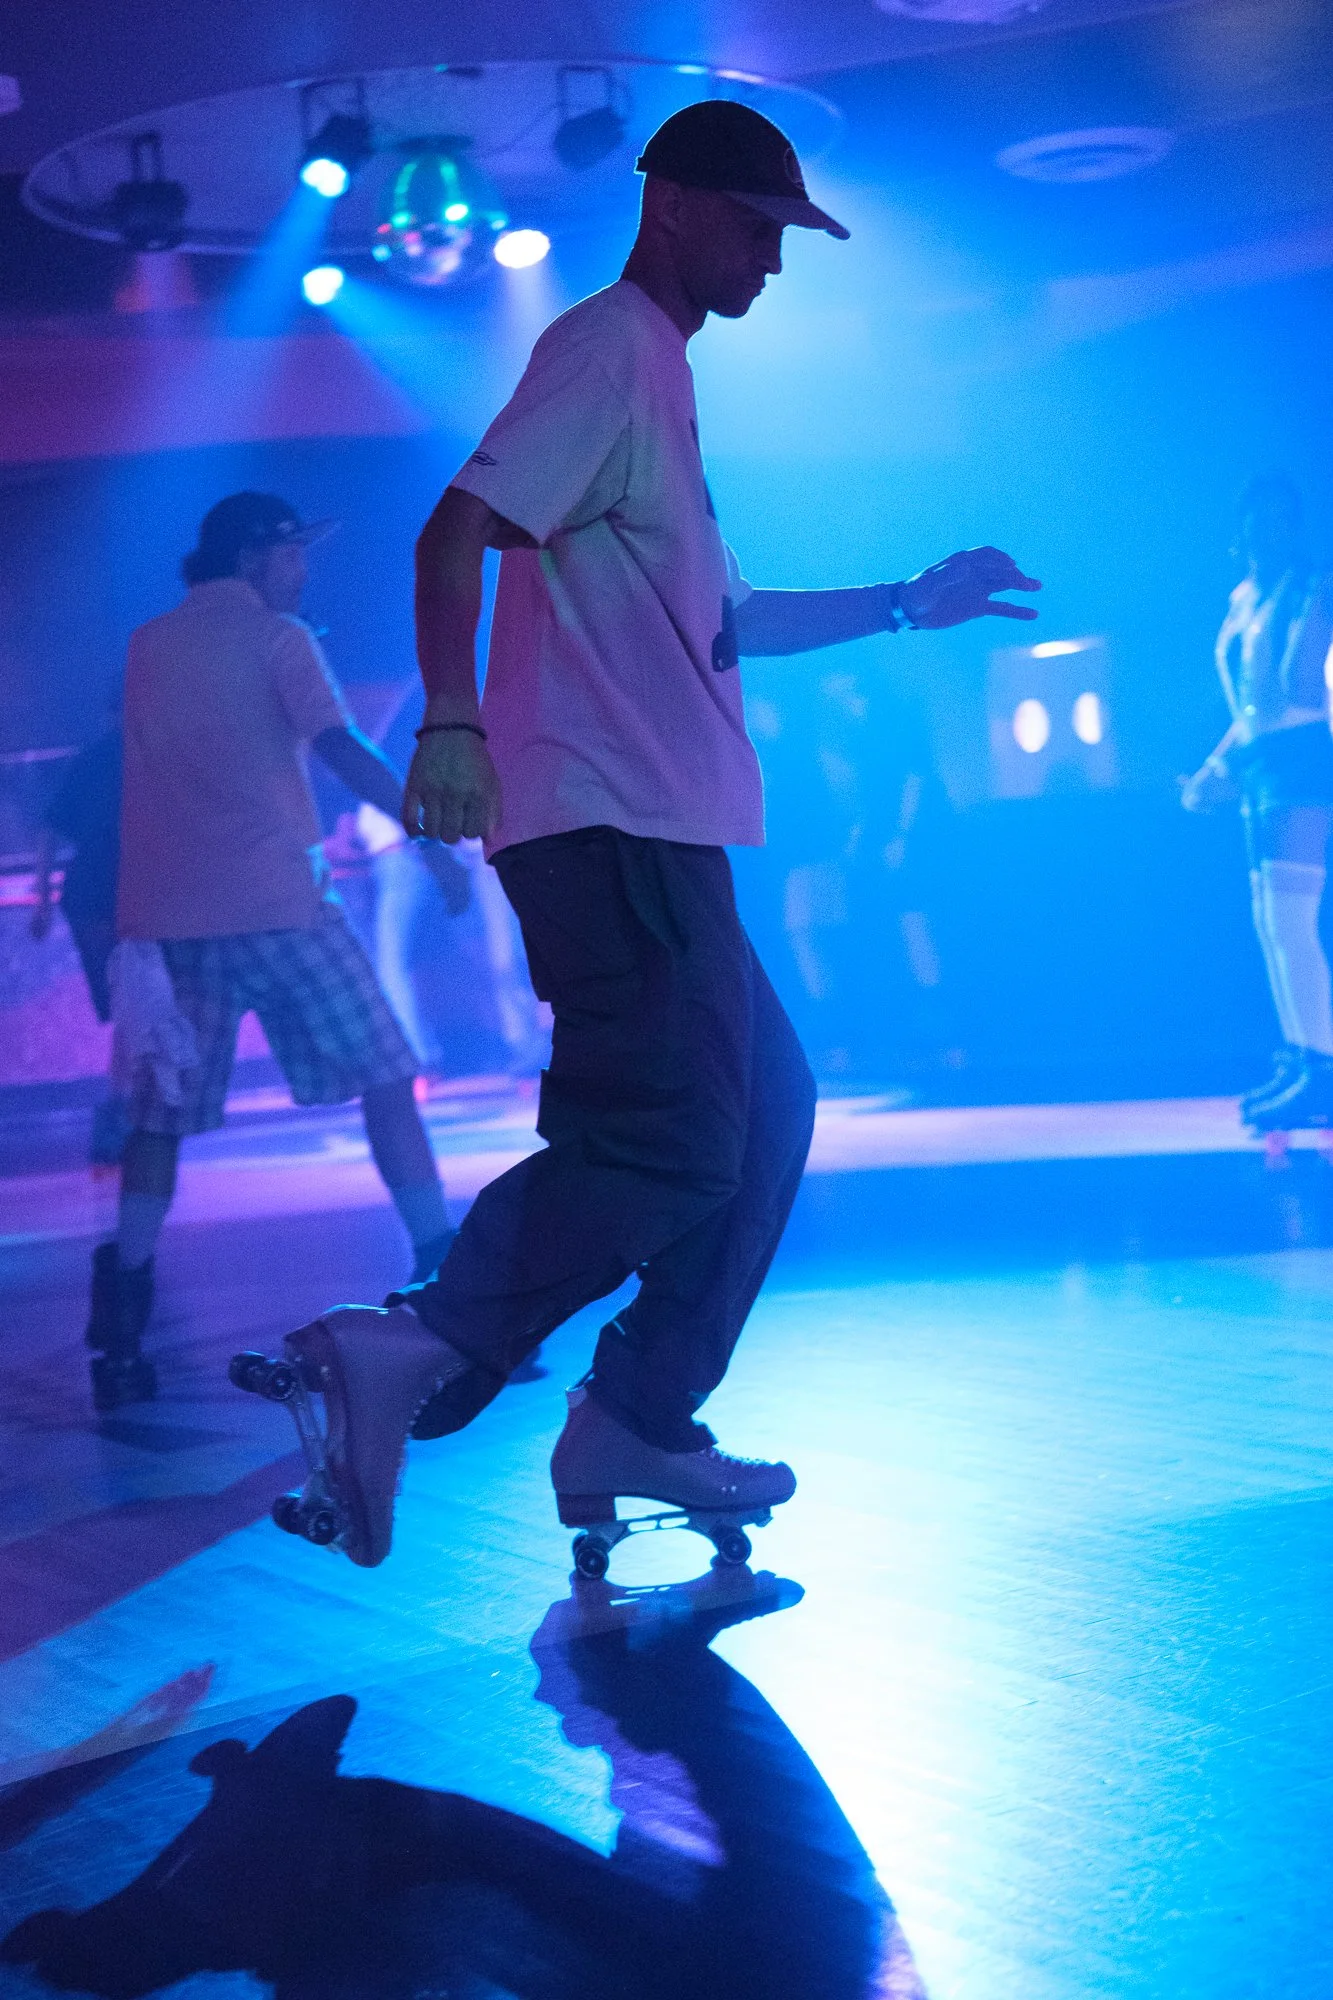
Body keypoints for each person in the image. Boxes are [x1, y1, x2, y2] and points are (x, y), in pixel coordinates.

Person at [259, 100, 1040, 1568]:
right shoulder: (609, 348)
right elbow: (453, 530)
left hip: (658, 823)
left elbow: (728, 620)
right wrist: (448, 721)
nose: (774, 260)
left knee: (765, 1114)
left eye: (786, 236)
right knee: (672, 1139)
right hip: (605, 814)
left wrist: (899, 603)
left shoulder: (658, 378)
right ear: (671, 203)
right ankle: (415, 1341)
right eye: (756, 226)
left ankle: (635, 1416)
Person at [89, 492, 457, 1412]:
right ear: (256, 558)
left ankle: (122, 1321)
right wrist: (426, 834)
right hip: (281, 904)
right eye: (294, 554)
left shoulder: (147, 645)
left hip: (172, 919)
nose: (302, 571)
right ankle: (441, 1276)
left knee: (158, 1119)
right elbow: (340, 747)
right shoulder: (279, 638)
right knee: (386, 1074)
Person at [1182, 475, 1333, 1129]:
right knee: (1270, 921)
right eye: (1259, 520)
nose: (1269, 532)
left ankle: (1321, 1069)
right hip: (1261, 760)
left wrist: (1311, 610)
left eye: (1282, 520)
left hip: (1302, 755)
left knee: (1291, 918)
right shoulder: (1243, 598)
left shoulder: (1310, 588)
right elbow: (1248, 708)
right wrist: (1215, 768)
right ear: (1242, 529)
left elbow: (1296, 691)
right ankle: (1300, 1056)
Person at [29, 711, 132, 1163]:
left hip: (92, 893)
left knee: (132, 1005)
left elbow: (50, 829)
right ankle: (122, 1115)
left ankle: (120, 1113)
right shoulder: (145, 755)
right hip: (118, 892)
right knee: (136, 1004)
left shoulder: (93, 760)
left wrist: (44, 901)